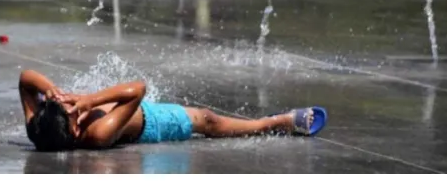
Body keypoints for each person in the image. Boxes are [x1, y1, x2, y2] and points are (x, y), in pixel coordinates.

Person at [19, 69, 327, 151]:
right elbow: (138, 90)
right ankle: (274, 123)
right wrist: (90, 101)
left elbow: (25, 80)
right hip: (151, 123)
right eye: (72, 112)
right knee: (208, 120)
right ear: (74, 132)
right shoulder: (97, 133)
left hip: (128, 109)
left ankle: (272, 122)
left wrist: (51, 92)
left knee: (207, 117)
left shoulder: (40, 128)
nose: (73, 106)